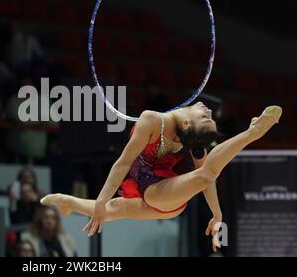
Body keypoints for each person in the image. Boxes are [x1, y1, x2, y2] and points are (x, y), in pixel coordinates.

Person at [41, 103, 282, 252]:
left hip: (162, 192)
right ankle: (67, 201)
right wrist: (102, 201)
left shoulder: (192, 139)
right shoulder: (152, 120)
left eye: (207, 117)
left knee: (206, 174)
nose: (209, 110)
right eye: (208, 116)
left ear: (187, 124)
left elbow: (209, 178)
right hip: (155, 192)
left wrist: (217, 214)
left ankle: (253, 133)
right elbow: (123, 163)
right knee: (114, 208)